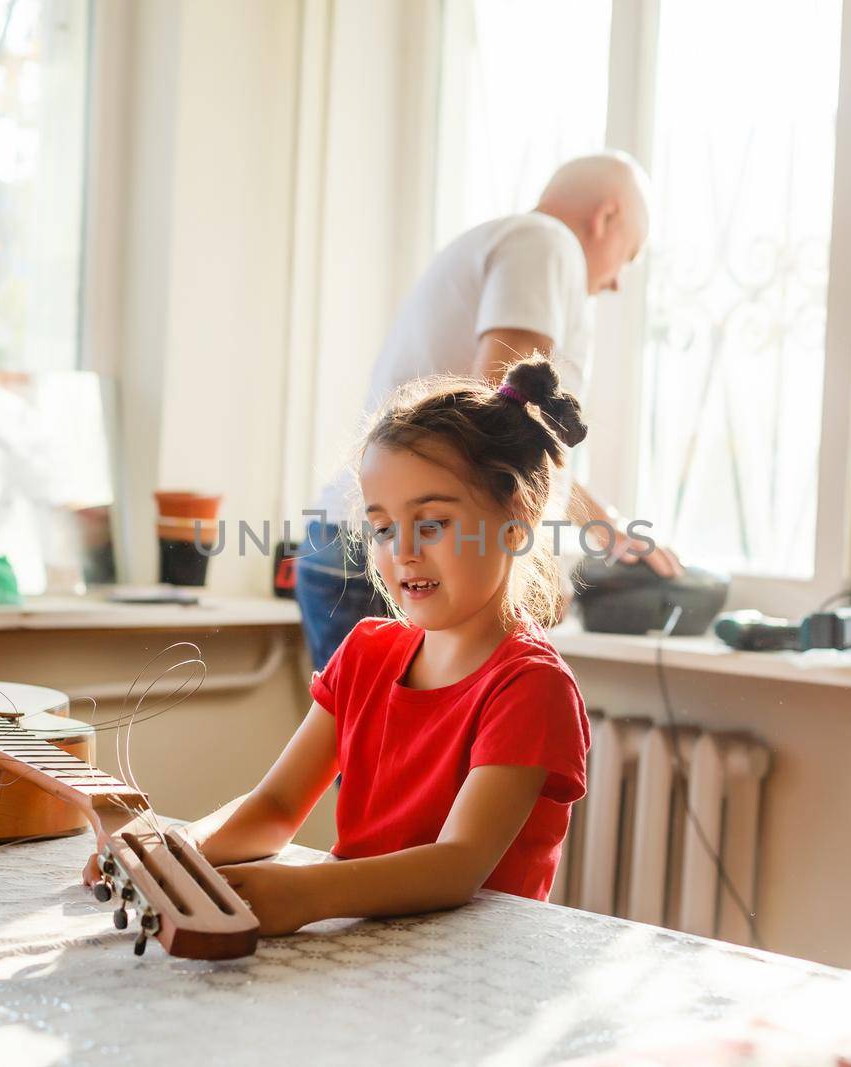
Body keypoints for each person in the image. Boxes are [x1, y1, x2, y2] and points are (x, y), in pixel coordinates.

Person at [183, 359, 592, 935]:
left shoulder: (530, 686)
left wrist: (305, 892)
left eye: (431, 523)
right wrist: (178, 849)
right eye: (381, 528)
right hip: (363, 950)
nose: (402, 550)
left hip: (476, 973)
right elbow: (276, 807)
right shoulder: (366, 653)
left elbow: (456, 866)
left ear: (516, 524)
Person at [295, 151, 684, 671]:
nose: (616, 282)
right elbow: (491, 429)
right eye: (630, 255)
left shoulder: (513, 244)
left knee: (375, 752)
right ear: (606, 217)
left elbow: (510, 416)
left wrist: (602, 524)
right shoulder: (547, 244)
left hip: (374, 544)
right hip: (392, 556)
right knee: (398, 753)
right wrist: (535, 572)